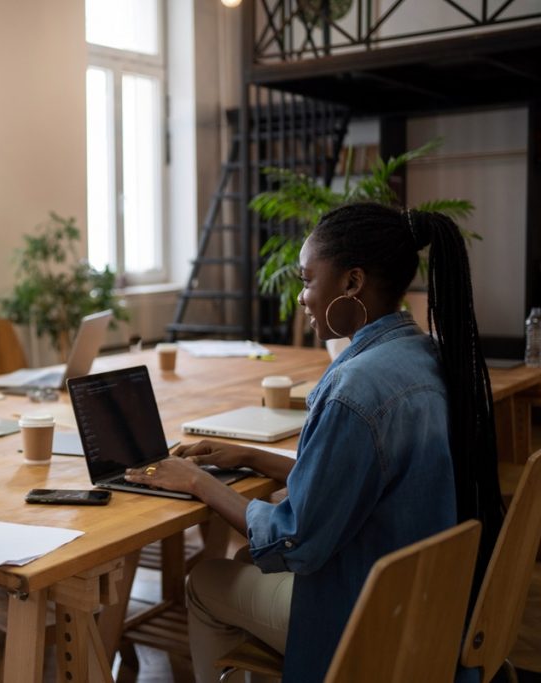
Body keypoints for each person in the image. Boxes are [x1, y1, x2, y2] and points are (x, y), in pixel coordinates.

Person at [125, 202, 503, 682]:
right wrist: (250, 455)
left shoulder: (355, 389)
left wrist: (199, 483)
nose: (302, 297)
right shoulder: (426, 356)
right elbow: (368, 475)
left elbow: (296, 539)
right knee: (245, 563)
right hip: (431, 602)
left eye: (307, 280)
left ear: (351, 283)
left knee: (205, 581)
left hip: (367, 617)